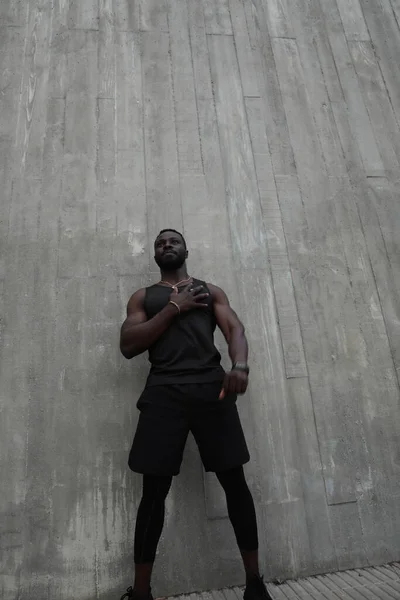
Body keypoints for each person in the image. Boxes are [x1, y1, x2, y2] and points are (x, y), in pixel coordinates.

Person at [119, 229, 272, 600]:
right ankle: (141, 593)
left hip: (210, 390)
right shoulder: (143, 297)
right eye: (160, 243)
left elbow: (235, 328)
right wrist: (174, 307)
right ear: (155, 255)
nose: (167, 245)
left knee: (234, 484)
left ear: (187, 249)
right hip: (163, 394)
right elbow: (128, 345)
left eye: (173, 241)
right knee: (153, 494)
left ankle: (254, 584)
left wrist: (241, 365)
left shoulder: (209, 290)